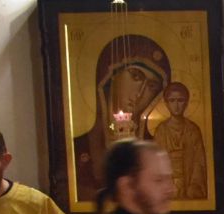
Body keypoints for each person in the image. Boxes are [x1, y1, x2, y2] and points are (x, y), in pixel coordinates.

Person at [72, 34, 171, 203]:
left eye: (151, 86)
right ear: (109, 76)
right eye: (136, 76)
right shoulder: (78, 149)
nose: (140, 93)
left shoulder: (157, 150)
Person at [152, 83, 208, 201]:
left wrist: (194, 185)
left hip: (188, 182)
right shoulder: (161, 131)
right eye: (172, 101)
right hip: (169, 183)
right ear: (166, 103)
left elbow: (199, 161)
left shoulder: (193, 130)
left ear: (186, 103)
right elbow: (156, 162)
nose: (176, 105)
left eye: (180, 100)